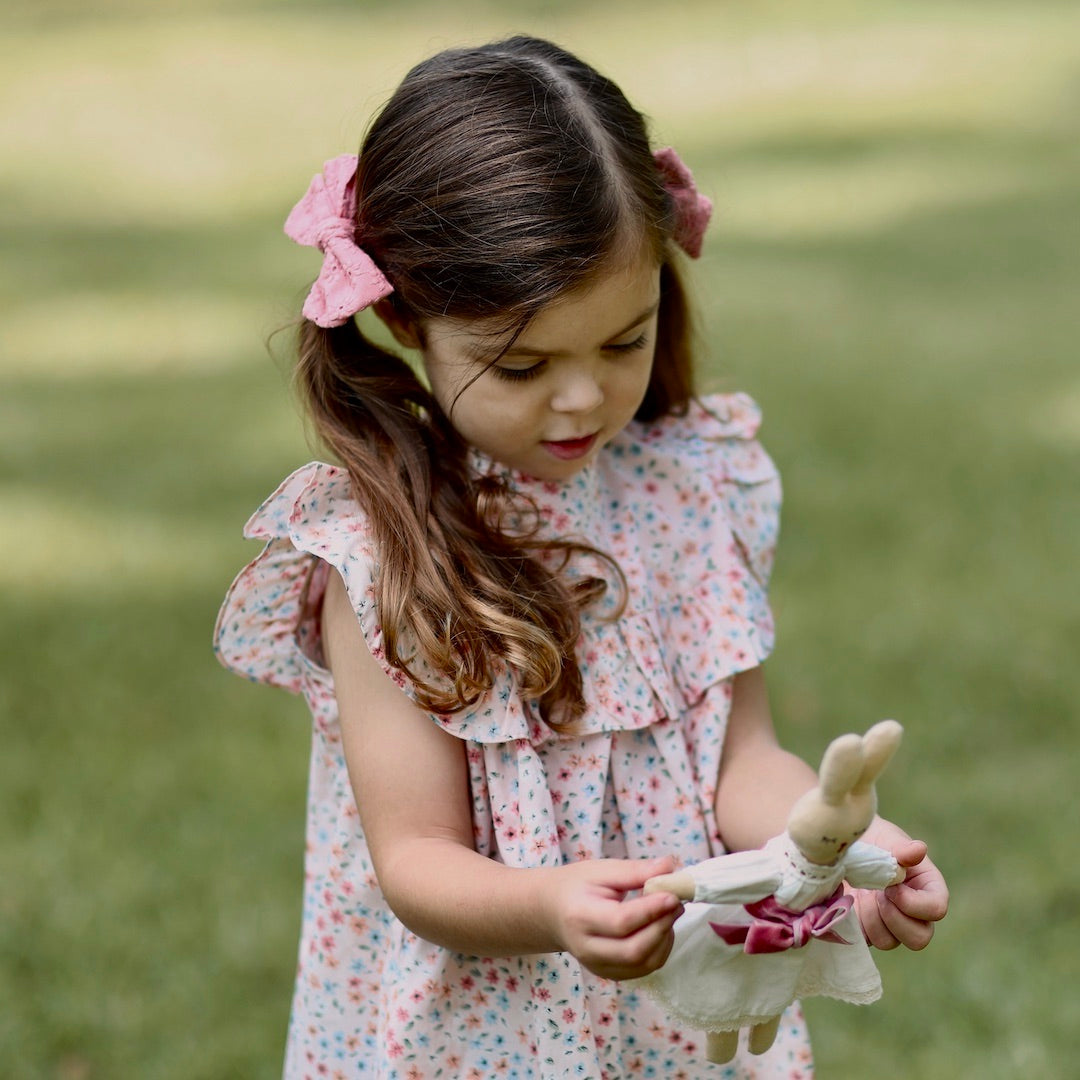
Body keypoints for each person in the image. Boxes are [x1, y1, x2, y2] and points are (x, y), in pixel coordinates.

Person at [214, 35, 947, 1079]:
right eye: (521, 364)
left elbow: (741, 761)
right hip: (481, 1038)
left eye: (622, 342)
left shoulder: (689, 488)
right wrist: (552, 904)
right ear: (403, 317)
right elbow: (414, 859)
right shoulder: (382, 550)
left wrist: (834, 861)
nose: (582, 398)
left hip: (672, 1021)